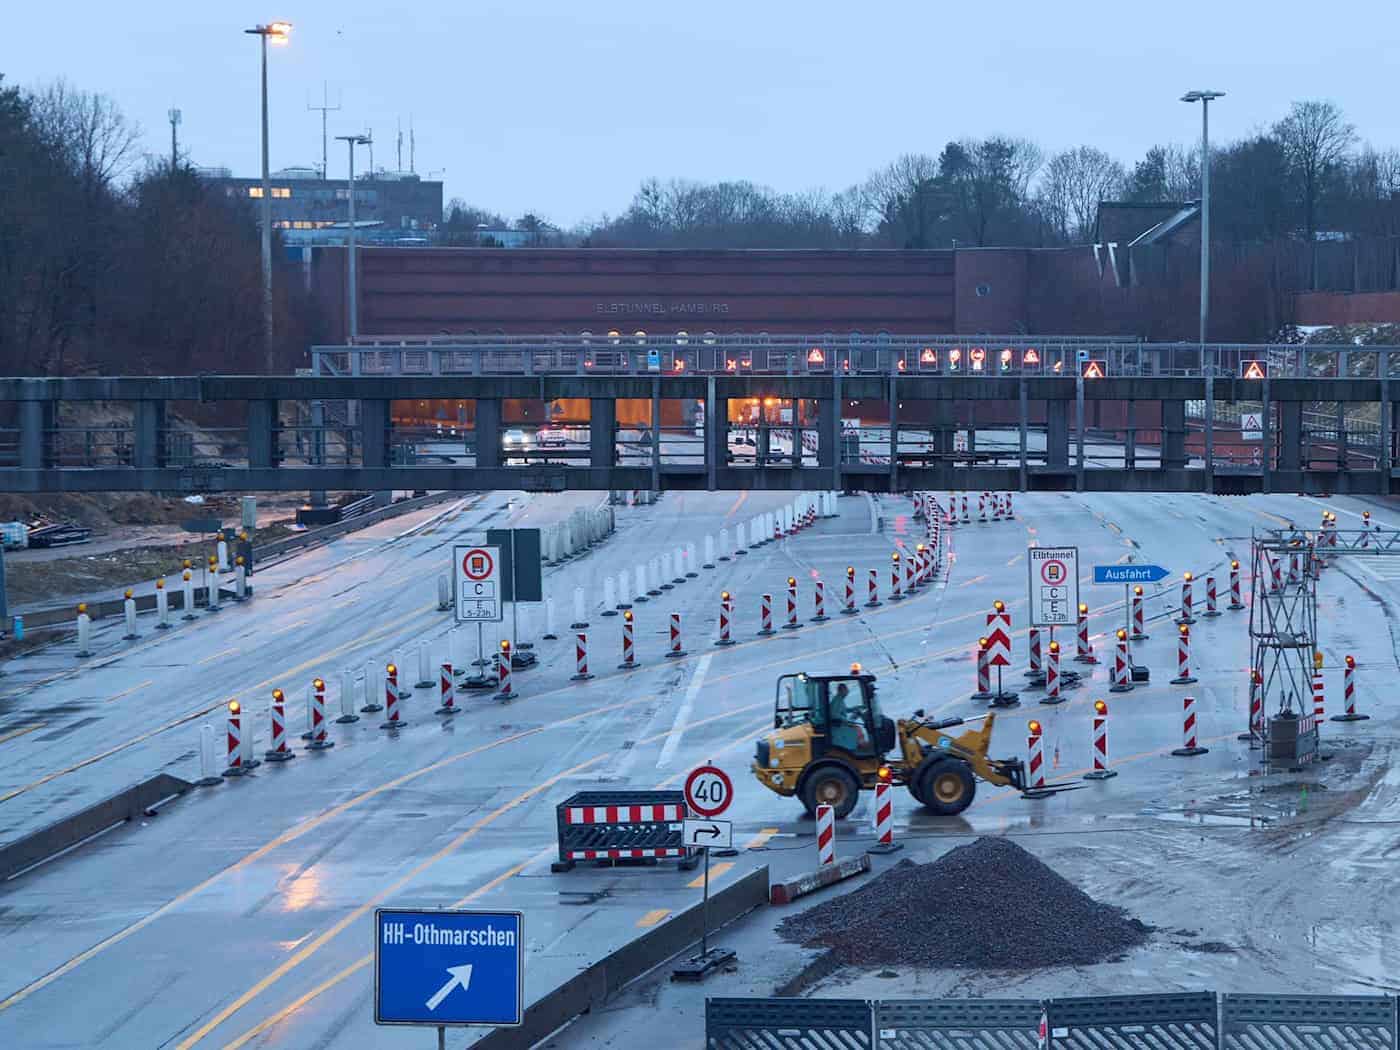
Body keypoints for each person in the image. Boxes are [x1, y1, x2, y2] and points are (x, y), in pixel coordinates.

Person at [828, 681, 869, 754]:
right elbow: (834, 714)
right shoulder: (837, 701)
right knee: (857, 729)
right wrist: (846, 721)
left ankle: (861, 745)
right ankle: (860, 747)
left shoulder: (840, 700)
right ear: (841, 691)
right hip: (838, 725)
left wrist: (856, 708)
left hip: (841, 723)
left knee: (857, 727)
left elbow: (845, 710)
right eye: (846, 690)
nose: (847, 692)